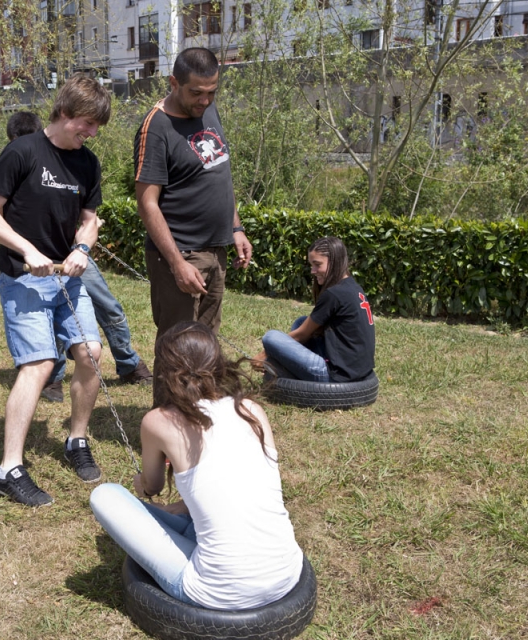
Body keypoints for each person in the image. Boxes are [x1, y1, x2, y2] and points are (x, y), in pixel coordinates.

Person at [90, 321, 304, 609]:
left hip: (218, 591)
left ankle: (182, 526)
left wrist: (140, 483)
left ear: (166, 372)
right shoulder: (251, 410)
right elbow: (232, 481)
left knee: (105, 496)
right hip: (287, 572)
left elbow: (151, 488)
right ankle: (183, 518)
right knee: (192, 511)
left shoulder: (159, 421)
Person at [0, 75, 111, 507]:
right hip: (23, 278)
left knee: (91, 353)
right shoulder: (23, 152)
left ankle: (76, 439)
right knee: (38, 364)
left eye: (95, 129)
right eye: (86, 125)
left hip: (67, 278)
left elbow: (90, 219)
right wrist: (27, 249)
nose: (90, 134)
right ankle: (8, 468)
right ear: (65, 113)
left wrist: (83, 247)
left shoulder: (87, 164)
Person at [5, 111, 153, 403]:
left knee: (109, 308)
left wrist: (86, 236)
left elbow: (84, 213)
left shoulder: (77, 160)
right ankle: (53, 378)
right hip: (37, 265)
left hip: (75, 257)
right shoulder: (16, 163)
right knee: (49, 319)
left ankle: (128, 362)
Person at [134, 47, 253, 341]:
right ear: (174, 83)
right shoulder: (156, 128)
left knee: (206, 344)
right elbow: (147, 204)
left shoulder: (208, 109)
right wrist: (177, 264)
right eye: (196, 92)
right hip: (182, 253)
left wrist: (235, 227)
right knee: (178, 346)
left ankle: (203, 390)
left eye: (212, 91)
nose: (205, 100)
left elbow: (218, 171)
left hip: (217, 247)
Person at [254, 236, 376, 382]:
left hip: (336, 374)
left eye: (317, 264)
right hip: (355, 368)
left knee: (271, 337)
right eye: (312, 265)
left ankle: (282, 366)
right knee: (302, 321)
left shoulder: (333, 294)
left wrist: (265, 354)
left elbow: (301, 336)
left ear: (335, 262)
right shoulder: (351, 286)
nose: (313, 270)